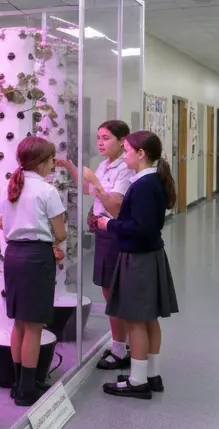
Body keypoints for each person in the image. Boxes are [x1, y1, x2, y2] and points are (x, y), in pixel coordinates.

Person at [96, 131, 180, 399]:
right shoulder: (152, 181)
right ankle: (150, 374)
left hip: (139, 258)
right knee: (149, 319)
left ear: (141, 154)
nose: (126, 155)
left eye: (128, 151)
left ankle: (137, 380)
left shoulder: (143, 186)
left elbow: (141, 227)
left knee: (135, 321)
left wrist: (108, 223)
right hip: (151, 255)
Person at [58, 120, 135, 371]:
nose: (100, 143)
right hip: (103, 232)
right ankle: (121, 344)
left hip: (114, 231)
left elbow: (115, 206)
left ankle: (119, 348)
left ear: (123, 141)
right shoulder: (105, 164)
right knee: (107, 290)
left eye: (106, 138)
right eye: (99, 138)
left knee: (113, 292)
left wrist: (98, 184)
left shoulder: (126, 168)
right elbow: (88, 189)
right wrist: (71, 167)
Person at [0, 136, 68, 406]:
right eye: (51, 159)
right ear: (41, 162)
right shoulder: (47, 192)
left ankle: (18, 384)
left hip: (13, 255)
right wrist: (51, 242)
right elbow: (60, 234)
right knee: (34, 326)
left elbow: (4, 224)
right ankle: (28, 389)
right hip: (37, 258)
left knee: (19, 323)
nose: (53, 164)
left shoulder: (10, 187)